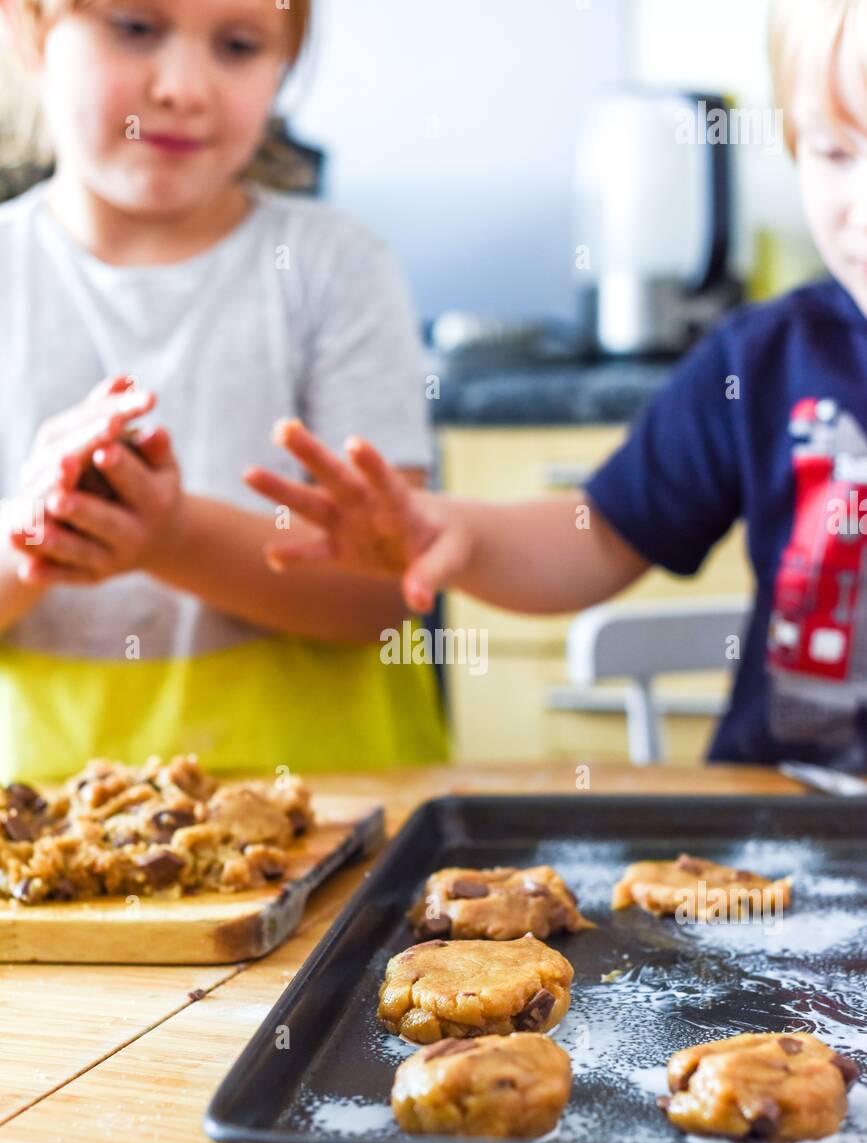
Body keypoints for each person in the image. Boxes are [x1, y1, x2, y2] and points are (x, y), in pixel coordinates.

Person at [247, 0, 867, 771]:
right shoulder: (765, 358)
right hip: (781, 829)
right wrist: (461, 534)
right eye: (836, 153)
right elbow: (600, 533)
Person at [0, 0, 447, 781]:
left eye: (238, 46)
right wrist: (33, 537)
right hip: (44, 825)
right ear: (27, 32)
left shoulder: (336, 267)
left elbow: (387, 590)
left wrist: (174, 538)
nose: (183, 87)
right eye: (134, 28)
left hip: (336, 810)